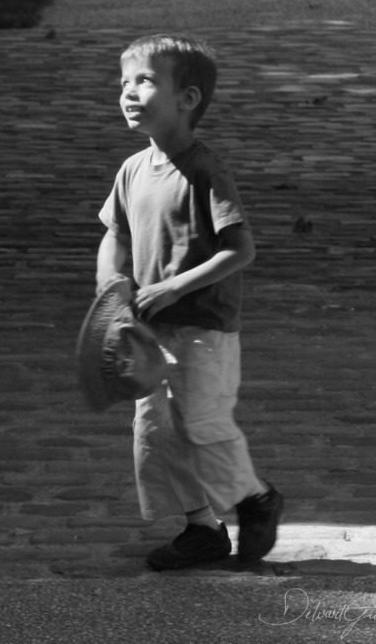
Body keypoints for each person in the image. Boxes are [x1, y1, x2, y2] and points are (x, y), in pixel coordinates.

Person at [96, 33, 283, 570]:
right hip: (150, 331)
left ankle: (255, 498)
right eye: (124, 83)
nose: (129, 93)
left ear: (188, 98)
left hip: (203, 327)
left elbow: (240, 250)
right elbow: (116, 234)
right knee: (157, 432)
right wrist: (112, 288)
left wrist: (174, 286)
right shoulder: (132, 170)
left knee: (201, 424)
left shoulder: (204, 171)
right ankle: (201, 528)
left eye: (145, 81)